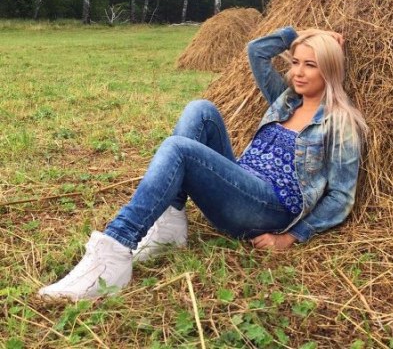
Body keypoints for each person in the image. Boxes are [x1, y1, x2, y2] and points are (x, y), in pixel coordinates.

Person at [38, 26, 367, 301]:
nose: (297, 72)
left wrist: (291, 236)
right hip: (241, 184)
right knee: (201, 110)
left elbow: (341, 196)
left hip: (270, 208)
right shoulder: (286, 99)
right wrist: (304, 35)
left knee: (178, 149)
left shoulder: (340, 123)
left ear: (329, 69)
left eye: (311, 65)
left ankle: (114, 252)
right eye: (295, 62)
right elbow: (256, 51)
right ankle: (170, 228)